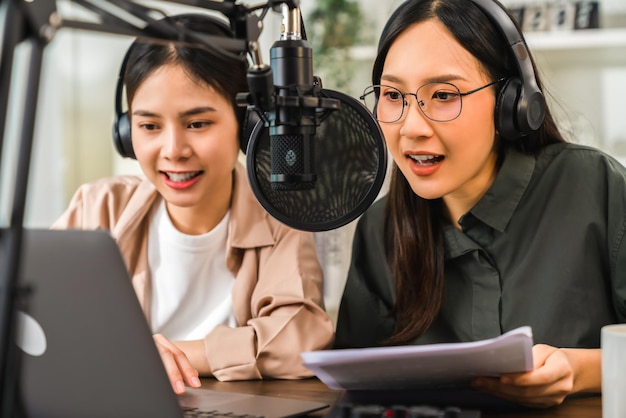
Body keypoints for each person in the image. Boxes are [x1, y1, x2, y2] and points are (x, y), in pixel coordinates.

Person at [334, 0, 626, 409]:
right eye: (392, 95)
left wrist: (579, 370)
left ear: (511, 103)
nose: (411, 127)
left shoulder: (596, 188)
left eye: (443, 95)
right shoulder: (380, 227)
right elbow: (354, 382)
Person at [52, 13, 334, 394]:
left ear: (247, 124)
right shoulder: (98, 206)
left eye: (197, 124)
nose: (173, 151)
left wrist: (168, 355)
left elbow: (301, 338)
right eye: (149, 126)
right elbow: (38, 319)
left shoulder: (279, 215)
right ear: (125, 131)